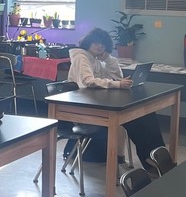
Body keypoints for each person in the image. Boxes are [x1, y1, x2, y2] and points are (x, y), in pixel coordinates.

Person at [67, 28, 166, 169]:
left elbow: (118, 77)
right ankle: (149, 160)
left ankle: (159, 156)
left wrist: (108, 59)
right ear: (88, 42)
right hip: (85, 108)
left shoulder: (97, 59)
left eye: (103, 43)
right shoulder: (81, 57)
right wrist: (116, 84)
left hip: (98, 103)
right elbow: (88, 81)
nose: (100, 46)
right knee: (132, 119)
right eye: (96, 42)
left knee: (146, 114)